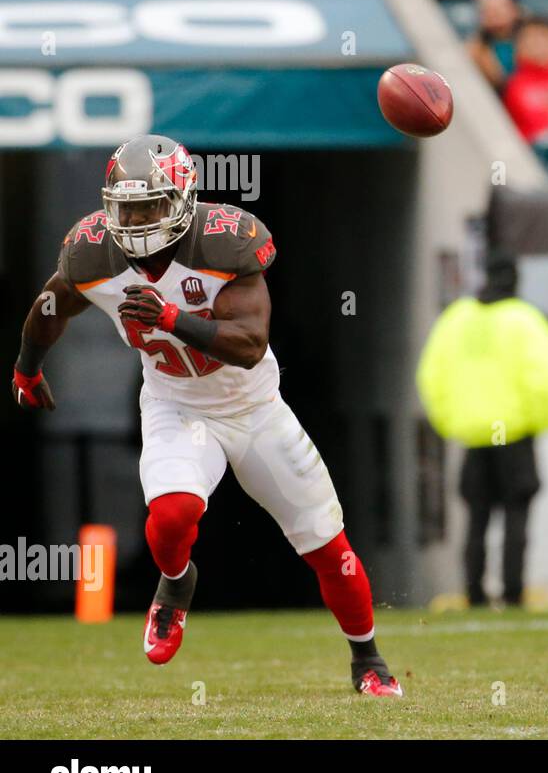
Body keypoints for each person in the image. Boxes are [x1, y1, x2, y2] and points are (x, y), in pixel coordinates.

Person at [11, 135, 403, 696]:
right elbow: (50, 307)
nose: (138, 219)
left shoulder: (225, 243)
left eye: (150, 205)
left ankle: (368, 660)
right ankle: (176, 583)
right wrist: (27, 368)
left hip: (254, 406)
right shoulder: (93, 251)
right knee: (172, 514)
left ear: (183, 199)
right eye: (127, 207)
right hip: (176, 402)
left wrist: (173, 317)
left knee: (326, 546)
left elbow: (248, 342)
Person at [415, 252, 548, 606]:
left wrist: (451, 421)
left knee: (477, 518)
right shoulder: (526, 320)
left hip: (474, 436)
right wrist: (539, 421)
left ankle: (475, 593)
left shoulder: (456, 319)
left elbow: (431, 375)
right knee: (517, 516)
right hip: (515, 435)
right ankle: (513, 593)